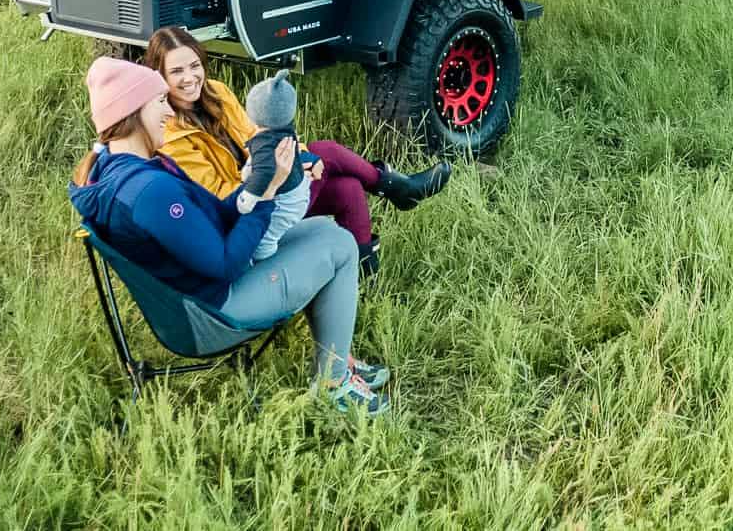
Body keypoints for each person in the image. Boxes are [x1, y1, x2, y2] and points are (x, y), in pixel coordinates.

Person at [68, 57, 388, 415]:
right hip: (213, 314)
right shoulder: (148, 191)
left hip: (195, 297)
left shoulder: (115, 169)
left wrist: (260, 184)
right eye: (159, 102)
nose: (168, 114)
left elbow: (215, 215)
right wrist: (266, 196)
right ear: (132, 112)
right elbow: (226, 264)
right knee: (341, 245)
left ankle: (336, 359)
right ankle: (333, 385)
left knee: (322, 230)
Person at [142, 26, 451, 274]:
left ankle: (365, 274)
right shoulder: (169, 133)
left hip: (269, 183)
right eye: (176, 71)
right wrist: (277, 173)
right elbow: (219, 194)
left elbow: (258, 134)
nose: (189, 78)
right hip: (245, 215)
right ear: (158, 76)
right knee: (325, 150)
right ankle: (398, 187)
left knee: (348, 189)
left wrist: (299, 160)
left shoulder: (217, 93)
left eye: (194, 65)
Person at [238, 69, 316, 262]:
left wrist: (247, 198)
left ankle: (269, 264)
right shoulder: (286, 129)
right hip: (300, 190)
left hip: (284, 201)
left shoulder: (264, 143)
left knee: (264, 241)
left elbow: (264, 172)